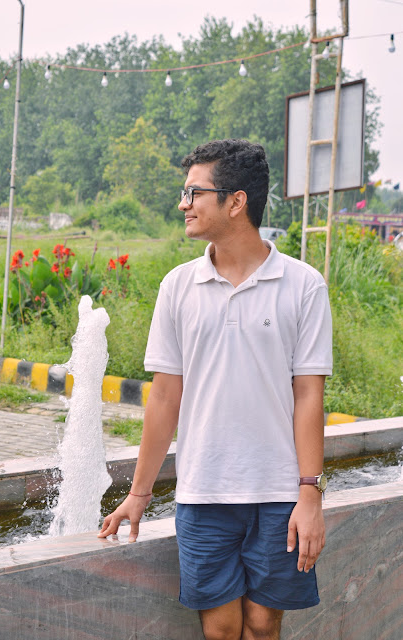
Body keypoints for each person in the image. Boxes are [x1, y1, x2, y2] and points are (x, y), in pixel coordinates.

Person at [98, 139, 333, 640]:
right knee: (222, 629)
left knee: (263, 623)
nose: (183, 204)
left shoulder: (303, 285)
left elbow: (309, 395)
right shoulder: (178, 286)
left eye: (193, 193)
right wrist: (139, 494)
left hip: (278, 491)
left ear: (235, 201)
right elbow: (164, 398)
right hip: (203, 491)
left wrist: (309, 492)